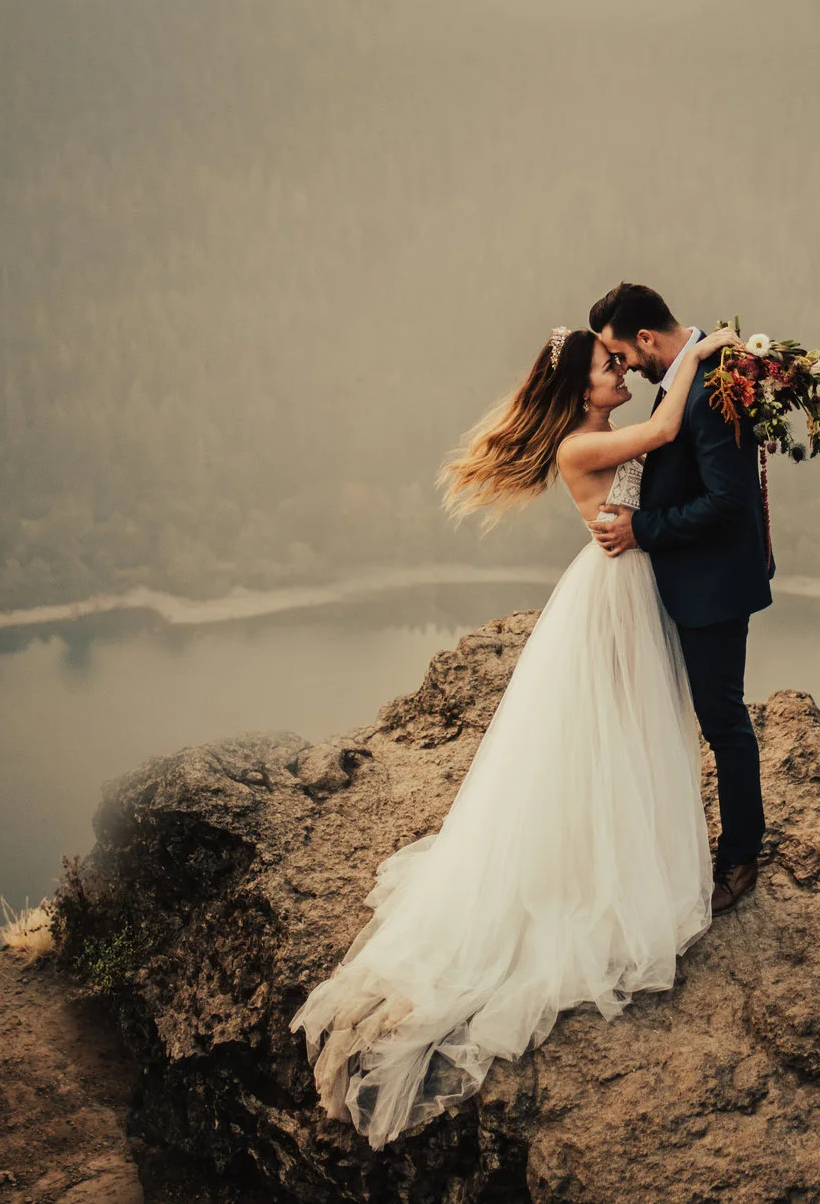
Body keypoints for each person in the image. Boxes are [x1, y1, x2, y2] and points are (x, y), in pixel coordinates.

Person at [291, 317, 739, 1149]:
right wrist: (698, 353)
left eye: (620, 361)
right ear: (580, 388)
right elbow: (666, 431)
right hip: (612, 593)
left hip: (631, 582)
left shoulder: (599, 431)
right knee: (611, 731)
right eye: (609, 366)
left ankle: (616, 843)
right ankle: (599, 863)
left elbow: (661, 443)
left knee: (627, 729)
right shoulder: (579, 444)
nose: (621, 371)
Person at [586, 281, 774, 917]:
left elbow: (727, 503)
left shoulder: (709, 387)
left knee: (723, 721)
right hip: (686, 581)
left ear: (645, 338)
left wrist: (641, 529)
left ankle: (741, 857)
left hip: (713, 586)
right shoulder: (686, 378)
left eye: (623, 354)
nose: (624, 367)